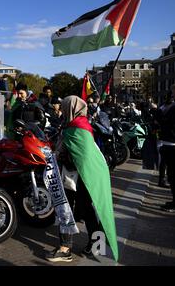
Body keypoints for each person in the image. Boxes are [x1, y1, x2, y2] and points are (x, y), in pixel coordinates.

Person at [46, 96, 118, 263]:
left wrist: (60, 156)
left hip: (77, 175)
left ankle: (65, 249)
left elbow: (81, 155)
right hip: (86, 174)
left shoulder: (76, 128)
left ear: (70, 108)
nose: (62, 111)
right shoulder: (79, 124)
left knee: (66, 208)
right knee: (87, 208)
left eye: (64, 108)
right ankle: (95, 246)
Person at [157, 85, 175, 212]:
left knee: (173, 175)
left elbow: (170, 124)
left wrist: (162, 121)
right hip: (168, 142)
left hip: (172, 144)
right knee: (171, 175)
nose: (171, 95)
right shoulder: (170, 107)